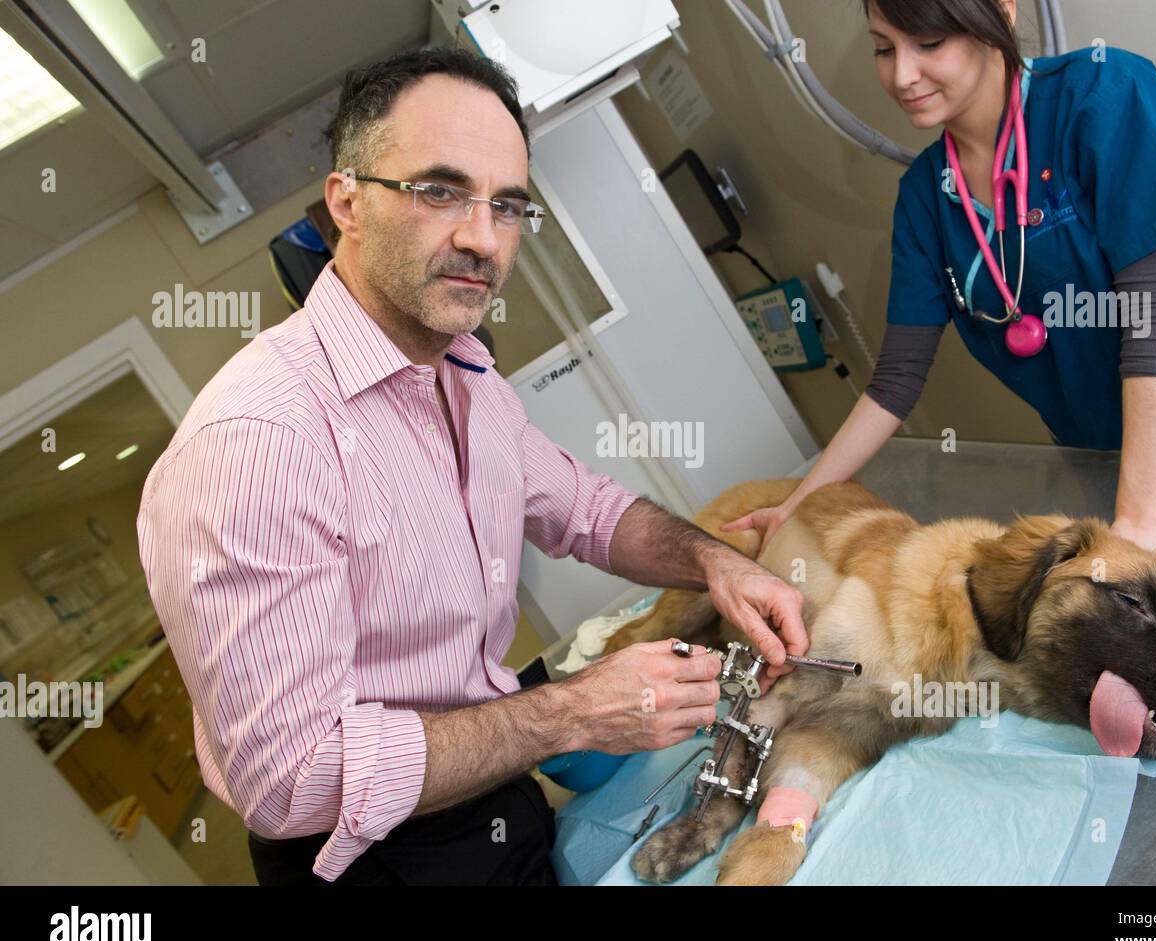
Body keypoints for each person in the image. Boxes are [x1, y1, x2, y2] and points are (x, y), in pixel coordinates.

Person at [136, 48, 808, 886]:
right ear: (345, 200)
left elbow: (587, 511)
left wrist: (715, 563)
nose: (482, 238)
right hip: (379, 858)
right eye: (439, 190)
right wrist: (571, 712)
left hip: (495, 785)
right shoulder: (256, 442)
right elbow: (292, 780)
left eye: (509, 206)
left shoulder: (466, 378)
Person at [725, 0, 1156, 554]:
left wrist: (1137, 526)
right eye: (883, 49)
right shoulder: (926, 197)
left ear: (1001, 11)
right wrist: (796, 504)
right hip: (1119, 472)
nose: (902, 75)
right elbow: (895, 382)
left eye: (928, 43)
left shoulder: (1100, 96)